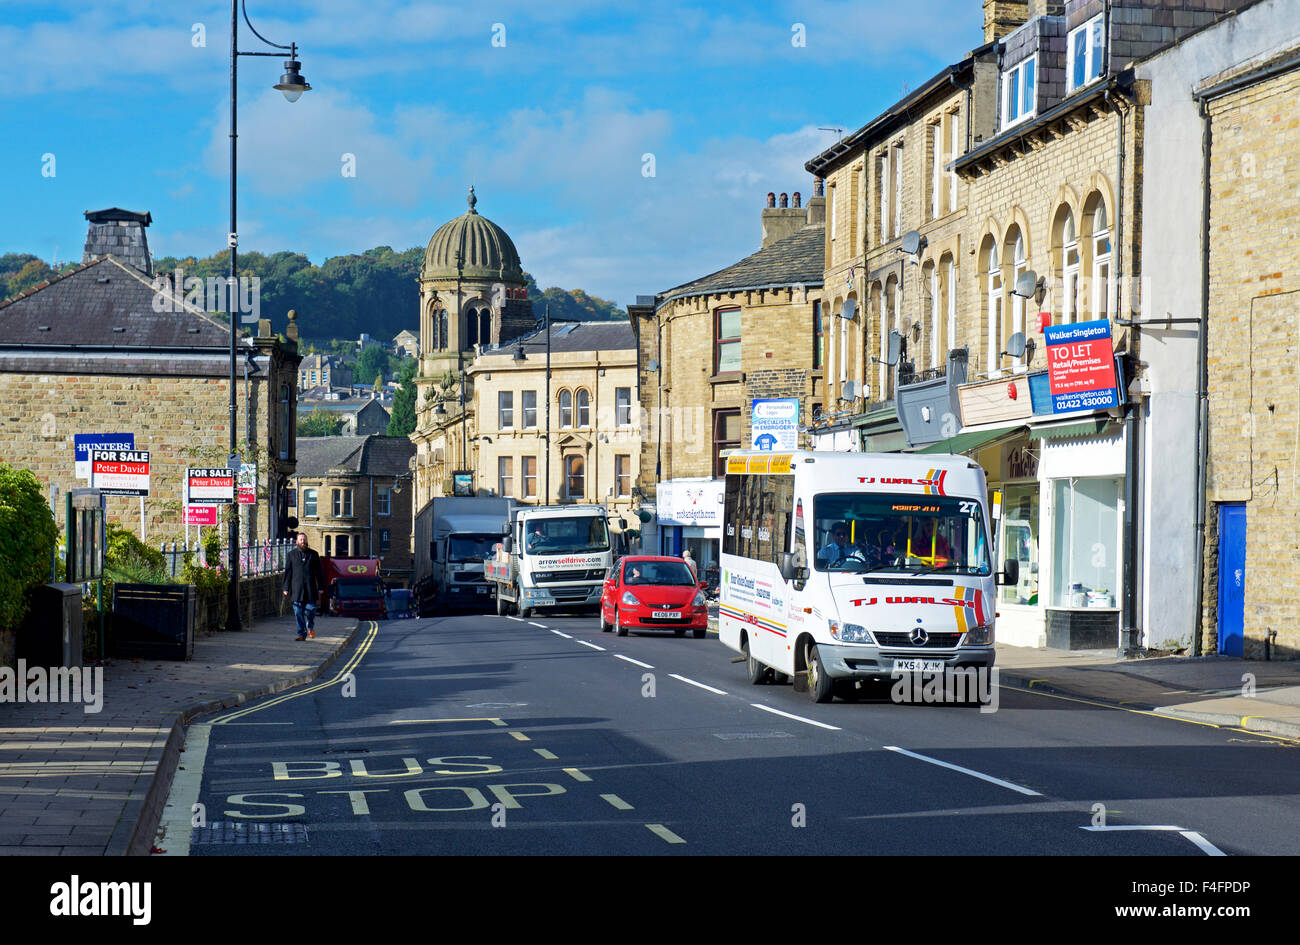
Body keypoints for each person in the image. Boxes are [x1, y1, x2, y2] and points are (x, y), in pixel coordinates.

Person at [282, 532, 322, 641]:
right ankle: (301, 634)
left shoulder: (314, 554)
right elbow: (288, 572)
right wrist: (285, 588)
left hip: (310, 589)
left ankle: (310, 627)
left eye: (304, 540)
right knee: (298, 613)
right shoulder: (291, 555)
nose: (303, 542)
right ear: (297, 542)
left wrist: (321, 587)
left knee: (310, 611)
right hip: (297, 590)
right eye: (301, 540)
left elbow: (319, 572)